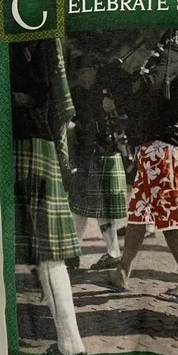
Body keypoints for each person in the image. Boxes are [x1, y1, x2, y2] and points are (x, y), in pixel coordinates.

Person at [103, 31, 178, 303]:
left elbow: (145, 88)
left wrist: (117, 77)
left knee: (169, 219)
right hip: (154, 147)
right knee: (138, 215)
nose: (145, 31)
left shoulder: (174, 56)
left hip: (165, 147)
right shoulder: (167, 55)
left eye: (152, 26)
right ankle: (122, 272)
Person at [10, 38, 86, 355]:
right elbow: (59, 103)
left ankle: (69, 343)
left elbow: (50, 98)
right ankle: (70, 343)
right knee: (48, 251)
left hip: (18, 140)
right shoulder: (46, 32)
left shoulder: (27, 35)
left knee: (39, 250)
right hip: (38, 141)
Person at [63, 46, 131, 271]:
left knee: (102, 209)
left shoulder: (107, 93)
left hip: (106, 154)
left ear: (94, 71)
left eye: (87, 71)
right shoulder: (77, 94)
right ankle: (74, 253)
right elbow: (71, 126)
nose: (84, 76)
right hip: (86, 155)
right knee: (79, 206)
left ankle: (112, 254)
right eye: (80, 72)